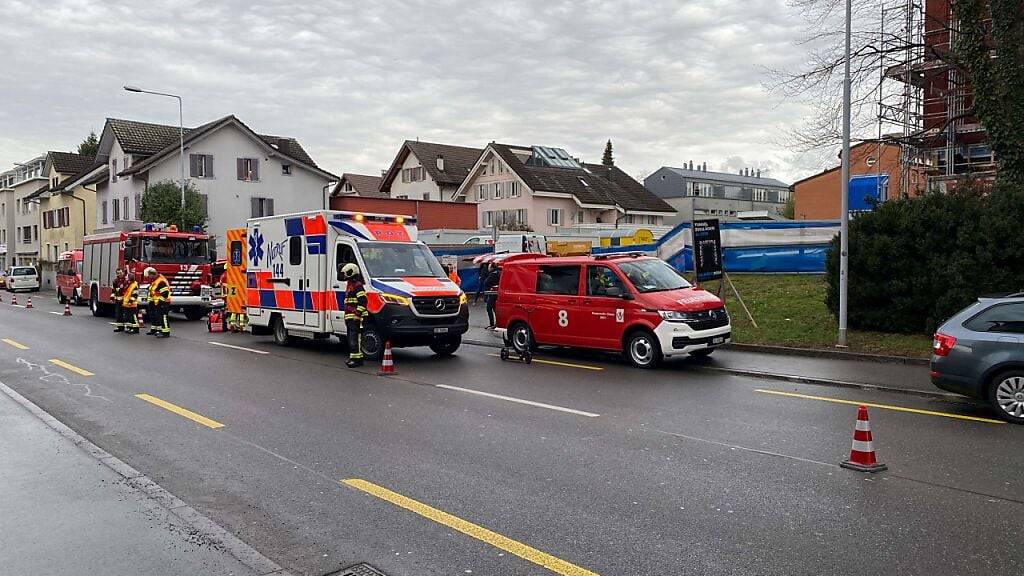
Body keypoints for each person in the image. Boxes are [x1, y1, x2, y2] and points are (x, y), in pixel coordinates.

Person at [341, 262, 368, 368]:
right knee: (351, 338)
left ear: (351, 272)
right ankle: (354, 358)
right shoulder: (350, 285)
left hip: (356, 317)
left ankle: (357, 360)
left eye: (346, 273)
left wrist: (357, 314)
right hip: (350, 317)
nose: (344, 275)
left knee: (355, 339)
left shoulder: (357, 286)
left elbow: (363, 301)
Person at [144, 267, 172, 338]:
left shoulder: (161, 281)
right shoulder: (155, 281)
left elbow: (165, 293)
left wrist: (160, 302)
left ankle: (165, 332)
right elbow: (154, 292)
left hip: (163, 302)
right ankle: (157, 330)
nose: (149, 277)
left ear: (153, 274)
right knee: (158, 317)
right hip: (157, 302)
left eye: (149, 276)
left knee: (163, 317)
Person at [482, 264, 502, 329]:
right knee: (494, 308)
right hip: (497, 293)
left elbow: (486, 282)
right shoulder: (500, 272)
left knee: (489, 308)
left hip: (492, 293)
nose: (488, 268)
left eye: (489, 267)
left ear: (491, 267)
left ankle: (492, 324)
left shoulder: (493, 274)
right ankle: (498, 323)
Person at [111, 268, 127, 332]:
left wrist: (120, 289)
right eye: (117, 273)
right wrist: (112, 298)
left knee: (126, 314)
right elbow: (113, 290)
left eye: (120, 273)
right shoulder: (115, 281)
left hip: (125, 300)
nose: (119, 274)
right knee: (118, 314)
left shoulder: (125, 280)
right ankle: (120, 327)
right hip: (118, 300)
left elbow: (126, 289)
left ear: (123, 272)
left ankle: (128, 327)